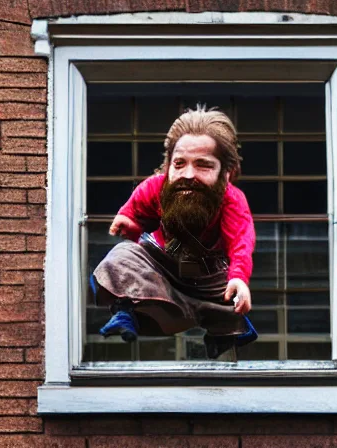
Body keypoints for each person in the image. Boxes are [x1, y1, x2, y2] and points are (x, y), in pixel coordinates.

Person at [91, 106, 257, 359]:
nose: (188, 175)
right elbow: (133, 211)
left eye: (203, 165)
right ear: (168, 166)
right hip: (162, 261)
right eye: (179, 164)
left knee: (228, 292)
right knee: (122, 254)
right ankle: (126, 311)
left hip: (206, 271)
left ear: (226, 173)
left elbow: (241, 242)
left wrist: (239, 277)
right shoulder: (155, 187)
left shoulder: (232, 200)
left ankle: (224, 333)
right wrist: (129, 223)